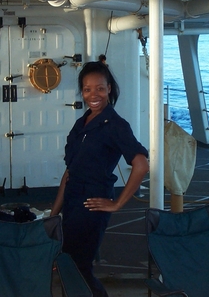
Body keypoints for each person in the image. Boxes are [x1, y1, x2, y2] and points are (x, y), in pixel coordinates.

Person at [50, 56, 150, 297]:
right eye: (87, 89)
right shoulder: (82, 123)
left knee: (78, 267)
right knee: (68, 264)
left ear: (109, 89)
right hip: (72, 201)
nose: (93, 95)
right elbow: (70, 172)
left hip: (92, 204)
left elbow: (141, 164)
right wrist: (54, 214)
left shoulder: (115, 125)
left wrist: (117, 204)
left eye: (100, 88)